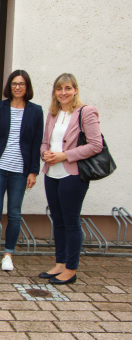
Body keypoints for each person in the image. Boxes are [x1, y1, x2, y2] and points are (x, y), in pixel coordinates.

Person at [40, 73, 102, 284]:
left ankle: (71, 269)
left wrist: (64, 155)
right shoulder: (53, 113)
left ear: (75, 89)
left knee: (71, 221)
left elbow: (96, 145)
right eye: (59, 89)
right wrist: (45, 154)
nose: (63, 93)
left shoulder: (86, 112)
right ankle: (60, 263)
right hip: (52, 173)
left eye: (67, 88)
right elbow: (45, 142)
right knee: (58, 221)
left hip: (72, 174)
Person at [0, 70, 43, 272]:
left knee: (15, 214)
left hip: (20, 171)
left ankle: (8, 254)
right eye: (15, 83)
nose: (18, 87)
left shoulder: (36, 111)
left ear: (28, 87)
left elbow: (36, 143)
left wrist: (34, 171)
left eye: (22, 84)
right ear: (9, 86)